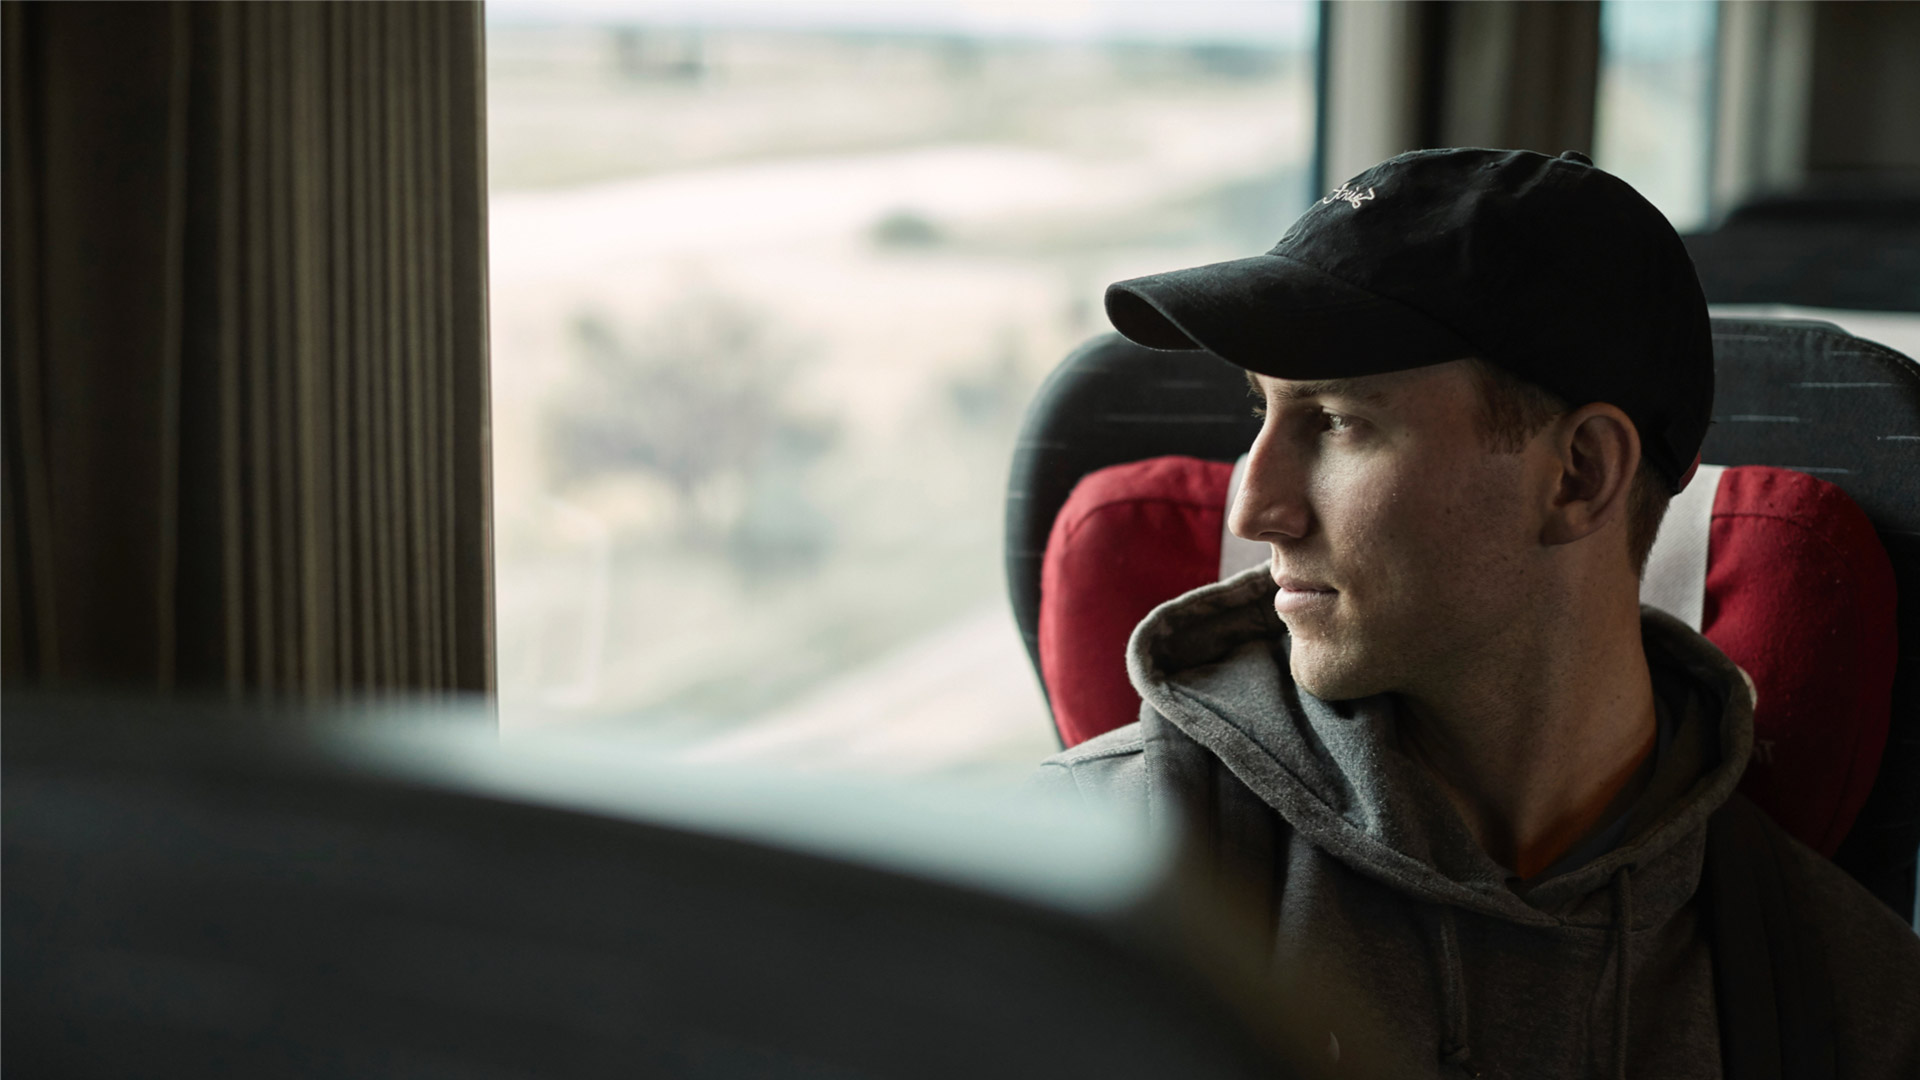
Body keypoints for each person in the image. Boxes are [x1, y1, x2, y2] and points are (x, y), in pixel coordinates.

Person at [1033, 148, 1920, 1079]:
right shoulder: (1087, 875)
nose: (1254, 511)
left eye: (1337, 421)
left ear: (1579, 476)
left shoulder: (1854, 1006)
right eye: (1262, 413)